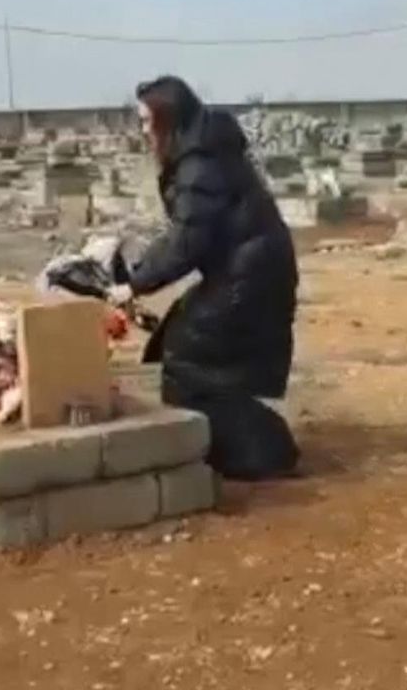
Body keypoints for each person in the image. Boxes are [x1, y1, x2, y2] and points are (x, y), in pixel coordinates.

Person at [108, 75, 300, 481]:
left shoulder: (200, 164)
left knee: (189, 358)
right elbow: (186, 229)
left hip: (251, 276)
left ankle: (260, 450)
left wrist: (136, 284)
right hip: (247, 270)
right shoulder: (201, 153)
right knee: (190, 352)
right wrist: (139, 269)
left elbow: (187, 241)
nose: (143, 132)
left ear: (169, 119)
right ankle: (248, 445)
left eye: (147, 122)